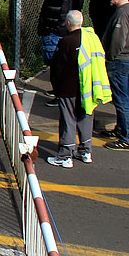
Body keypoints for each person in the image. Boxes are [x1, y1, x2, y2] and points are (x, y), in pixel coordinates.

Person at [47, 12, 93, 168]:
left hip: (68, 88)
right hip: (87, 87)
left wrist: (56, 86)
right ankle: (86, 151)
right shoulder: (91, 39)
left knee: (68, 120)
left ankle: (66, 155)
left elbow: (57, 67)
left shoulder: (65, 42)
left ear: (68, 23)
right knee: (85, 117)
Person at [101, 0, 129, 150]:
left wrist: (109, 57)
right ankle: (122, 128)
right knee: (122, 97)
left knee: (121, 99)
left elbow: (118, 40)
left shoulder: (122, 14)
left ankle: (127, 138)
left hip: (120, 61)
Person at [37, 0, 82, 90]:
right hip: (63, 30)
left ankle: (58, 91)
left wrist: (46, 28)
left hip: (53, 32)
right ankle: (60, 90)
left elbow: (51, 14)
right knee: (61, 63)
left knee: (55, 64)